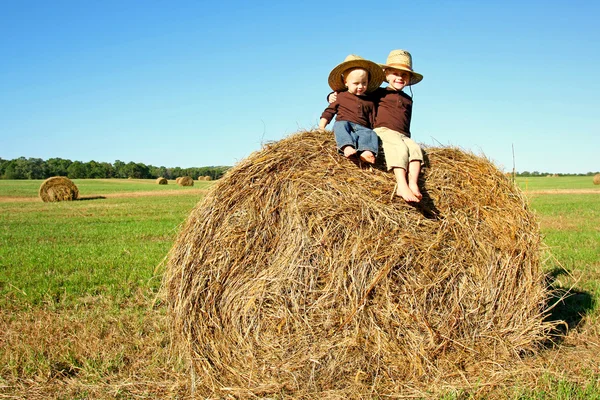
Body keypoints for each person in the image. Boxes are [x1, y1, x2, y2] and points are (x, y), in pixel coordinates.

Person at [328, 50, 424, 202]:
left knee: (415, 150)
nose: (400, 77)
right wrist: (332, 95)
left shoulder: (408, 99)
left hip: (403, 134)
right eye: (395, 73)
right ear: (386, 74)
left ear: (410, 78)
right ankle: (401, 185)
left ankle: (413, 183)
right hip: (384, 130)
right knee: (398, 148)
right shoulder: (378, 92)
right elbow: (353, 92)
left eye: (404, 74)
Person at [319, 55, 385, 164]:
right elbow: (329, 112)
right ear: (346, 82)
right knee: (340, 126)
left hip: (363, 126)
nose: (360, 86)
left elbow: (373, 118)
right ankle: (346, 147)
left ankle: (366, 152)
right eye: (356, 83)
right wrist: (322, 126)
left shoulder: (370, 101)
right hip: (345, 122)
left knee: (370, 133)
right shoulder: (340, 96)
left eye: (364, 83)